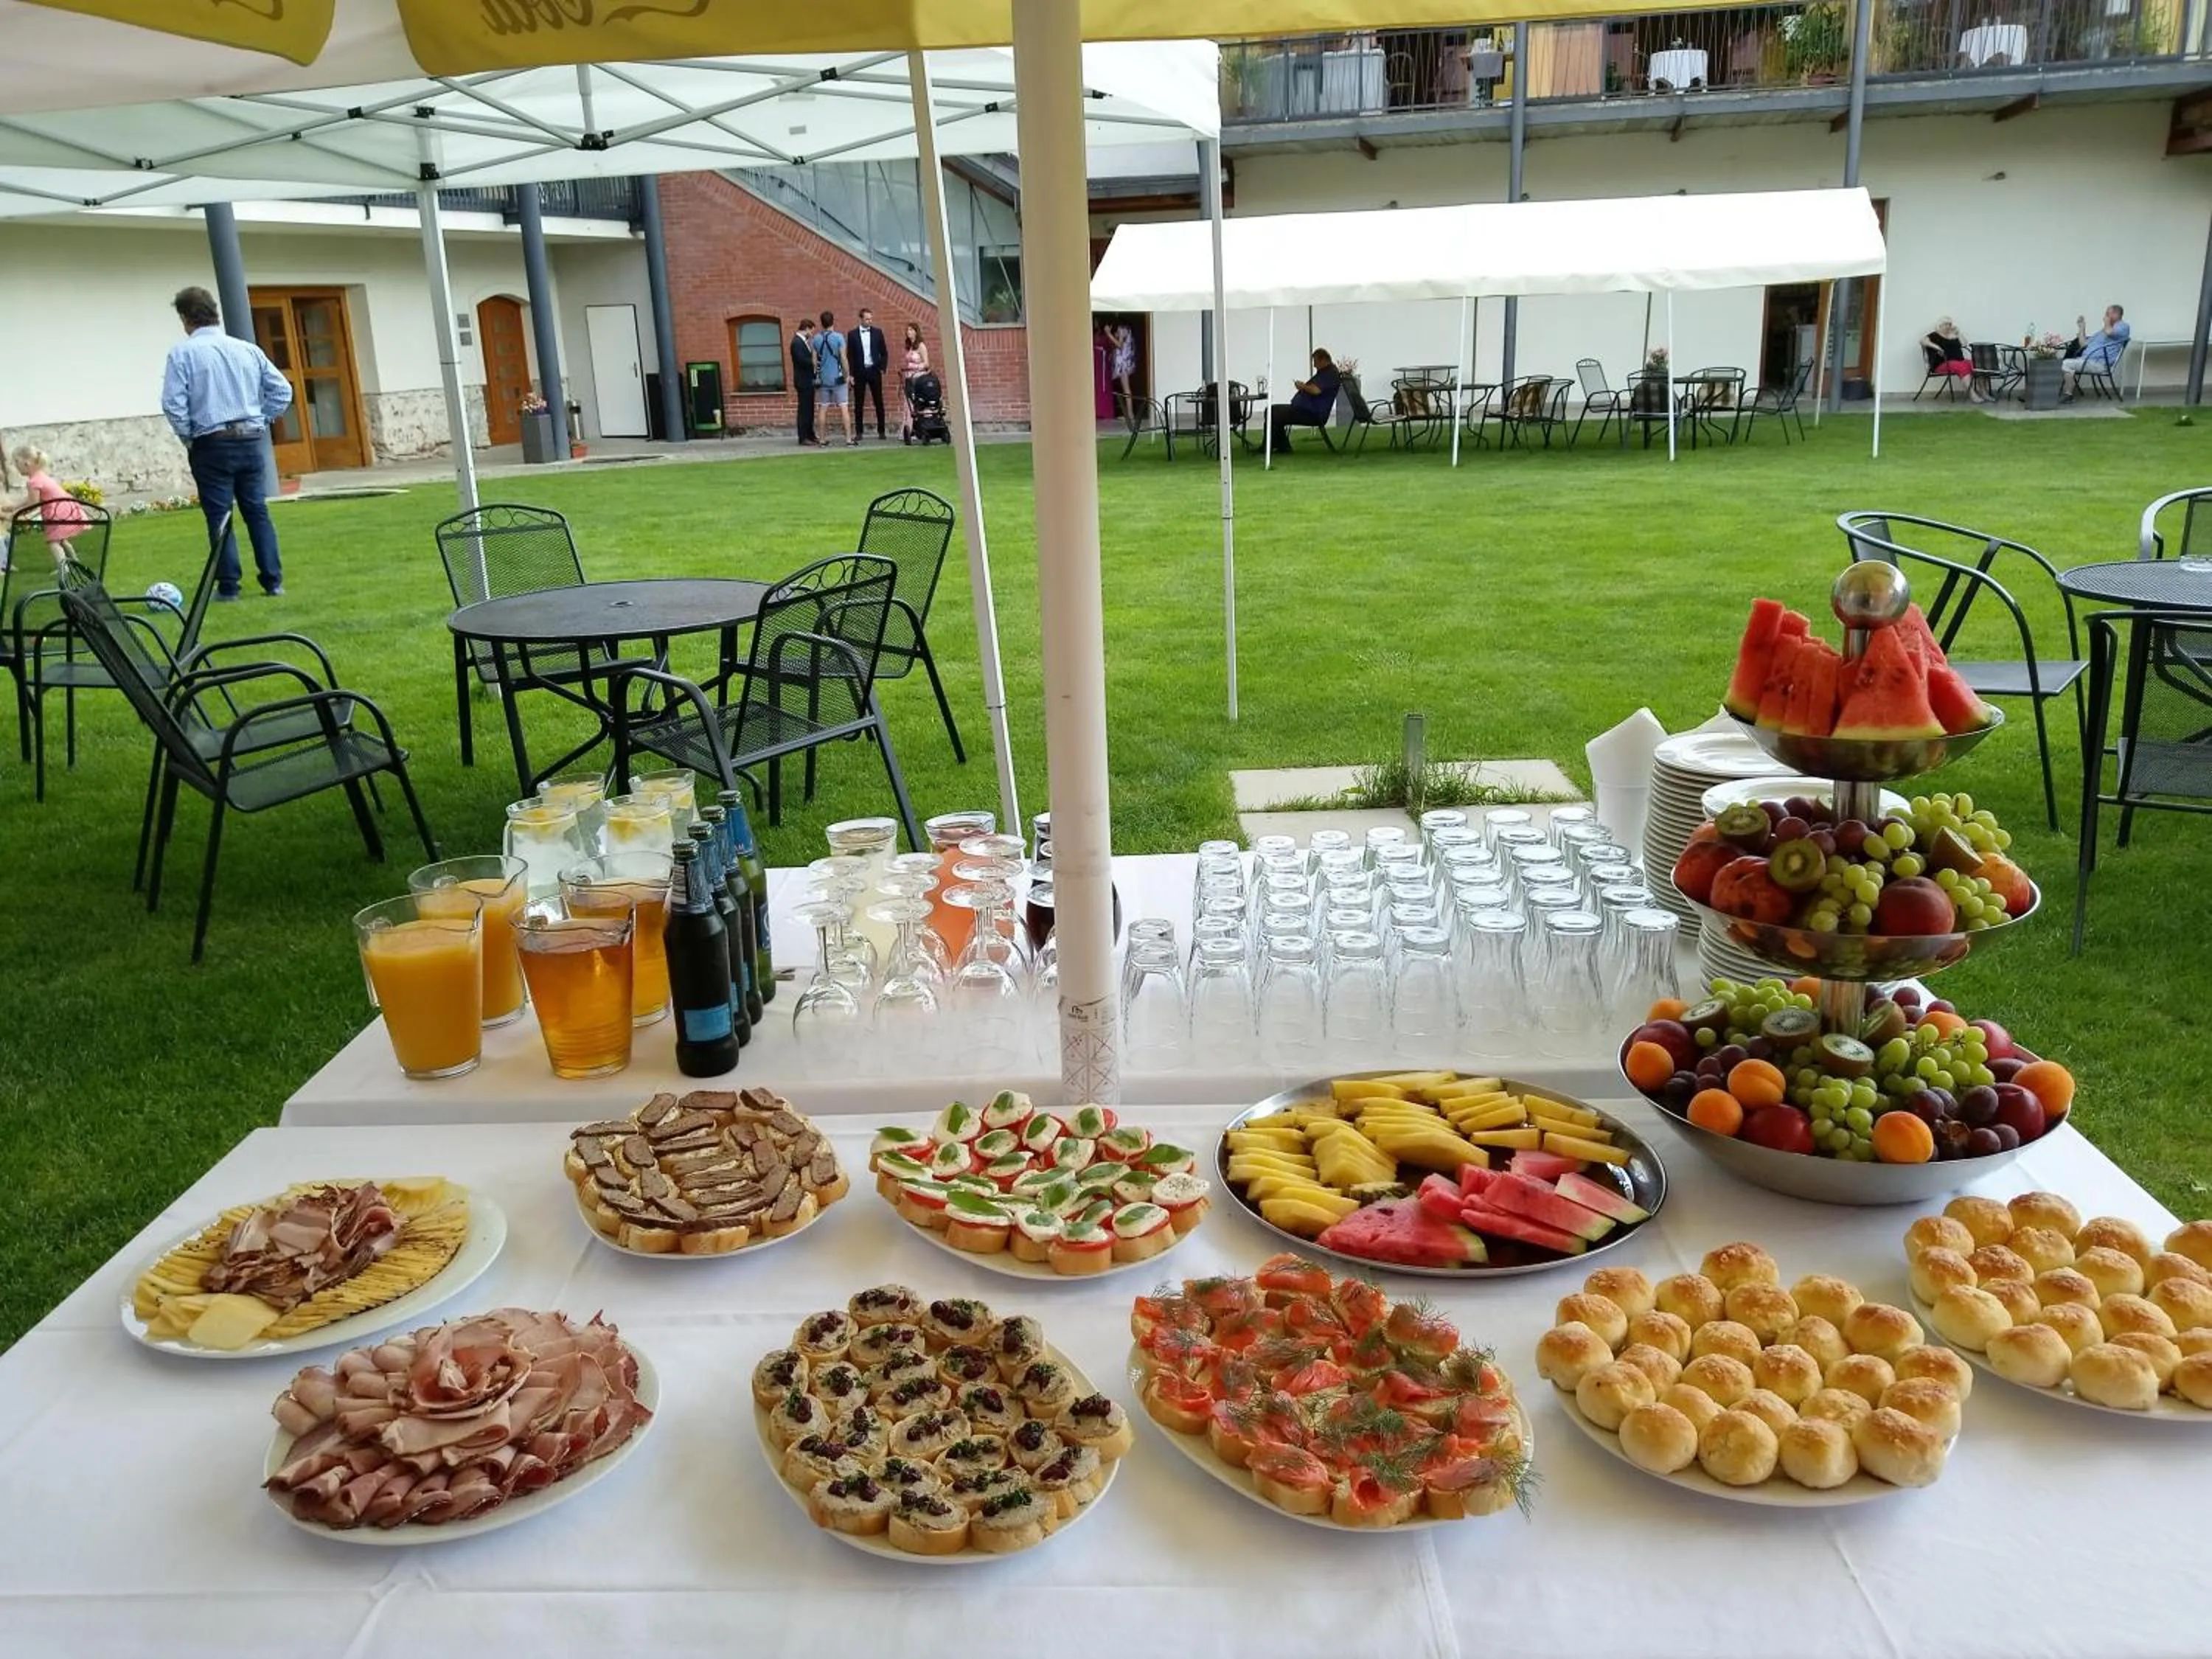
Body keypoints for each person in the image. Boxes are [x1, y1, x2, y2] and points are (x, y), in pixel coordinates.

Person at [160, 285, 291, 599]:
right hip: (249, 440)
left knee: (220, 516)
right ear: (215, 312)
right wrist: (262, 420)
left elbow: (173, 404)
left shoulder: (183, 353)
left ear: (185, 318)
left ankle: (229, 585)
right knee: (257, 511)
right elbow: (282, 391)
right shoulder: (247, 350)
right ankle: (273, 582)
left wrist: (189, 437)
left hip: (211, 441)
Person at [3, 444, 91, 571]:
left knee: (53, 542)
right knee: (61, 540)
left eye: (17, 463)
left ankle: (63, 568)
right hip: (65, 508)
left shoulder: (33, 482)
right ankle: (76, 563)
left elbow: (33, 504)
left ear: (26, 463)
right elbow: (30, 500)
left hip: (58, 512)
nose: (16, 467)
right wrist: (14, 507)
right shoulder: (41, 476)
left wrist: (15, 515)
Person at [1266, 349, 1343, 455]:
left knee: (1273, 412)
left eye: (1316, 362)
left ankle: (1273, 446)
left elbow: (1316, 390)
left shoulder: (1330, 373)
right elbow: (1315, 387)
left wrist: (1303, 387)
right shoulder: (1326, 372)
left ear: (1324, 360)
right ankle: (1280, 446)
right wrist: (1304, 387)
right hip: (1307, 409)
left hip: (1313, 413)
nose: (1315, 365)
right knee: (1273, 411)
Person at [2064, 305, 2131, 398]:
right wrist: (2082, 327)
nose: (2105, 316)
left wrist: (2107, 323)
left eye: (2108, 314)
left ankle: (2068, 394)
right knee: (2064, 363)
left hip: (2100, 364)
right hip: (2087, 361)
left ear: (2116, 314)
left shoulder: (2123, 326)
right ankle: (2069, 393)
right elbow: (2084, 344)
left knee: (2067, 364)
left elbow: (2109, 332)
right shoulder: (2102, 331)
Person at [847, 306, 890, 441]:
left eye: (871, 319)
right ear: (861, 319)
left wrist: (882, 367)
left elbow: (884, 352)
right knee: (859, 403)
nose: (869, 322)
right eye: (867, 319)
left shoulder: (878, 332)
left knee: (879, 401)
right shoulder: (852, 334)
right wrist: (851, 374)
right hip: (860, 371)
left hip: (874, 370)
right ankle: (859, 432)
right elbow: (851, 356)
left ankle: (882, 431)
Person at [1921, 319, 1984, 403]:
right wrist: (1936, 347)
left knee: (1978, 365)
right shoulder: (1934, 335)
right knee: (1962, 367)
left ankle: (1983, 392)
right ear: (1940, 326)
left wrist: (1959, 333)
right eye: (1946, 324)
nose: (1948, 326)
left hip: (1959, 361)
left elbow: (1965, 344)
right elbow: (1922, 341)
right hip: (1942, 364)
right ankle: (1973, 395)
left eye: (1950, 324)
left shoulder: (1953, 335)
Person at [815, 309, 852, 446]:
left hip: (824, 379)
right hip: (838, 377)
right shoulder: (838, 337)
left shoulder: (816, 339)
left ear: (821, 323)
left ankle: (822, 439)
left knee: (823, 408)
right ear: (833, 321)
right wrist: (847, 375)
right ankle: (848, 439)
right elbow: (843, 358)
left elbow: (815, 361)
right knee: (844, 407)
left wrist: (817, 375)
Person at [789, 316, 820, 446]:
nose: (811, 334)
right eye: (811, 331)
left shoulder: (804, 342)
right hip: (803, 381)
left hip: (808, 380)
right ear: (806, 329)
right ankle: (803, 437)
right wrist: (814, 362)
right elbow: (801, 360)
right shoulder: (797, 342)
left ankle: (810, 434)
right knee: (804, 410)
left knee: (809, 409)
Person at [900, 323, 931, 441]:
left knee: (918, 402)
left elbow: (927, 363)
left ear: (916, 332)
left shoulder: (921, 346)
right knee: (909, 403)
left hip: (918, 377)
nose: (909, 332)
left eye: (911, 330)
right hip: (909, 377)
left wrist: (915, 367)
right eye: (907, 330)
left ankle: (923, 427)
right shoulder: (910, 347)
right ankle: (909, 428)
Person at [1107, 321, 1137, 416]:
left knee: (1126, 388)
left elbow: (1119, 345)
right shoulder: (1128, 330)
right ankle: (1129, 413)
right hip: (1126, 361)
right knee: (1126, 388)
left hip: (1123, 364)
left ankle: (1130, 414)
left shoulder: (1121, 329)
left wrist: (1109, 334)